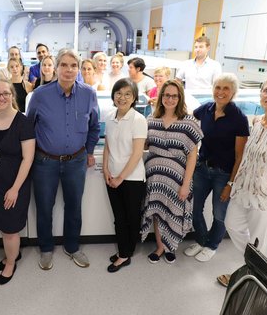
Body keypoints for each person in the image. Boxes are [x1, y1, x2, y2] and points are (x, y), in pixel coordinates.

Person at [218, 75, 267, 287]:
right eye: (266, 90)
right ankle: (257, 268)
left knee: (259, 242)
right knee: (232, 225)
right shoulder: (257, 121)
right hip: (243, 190)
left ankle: (251, 280)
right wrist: (232, 184)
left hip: (264, 199)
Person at [27, 49, 100, 270]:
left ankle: (72, 247)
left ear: (78, 69)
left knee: (74, 206)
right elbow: (29, 128)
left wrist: (88, 152)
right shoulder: (40, 95)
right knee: (44, 207)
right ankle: (46, 249)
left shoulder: (89, 94)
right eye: (64, 65)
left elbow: (94, 126)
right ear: (56, 67)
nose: (69, 70)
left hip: (76, 162)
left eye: (73, 66)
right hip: (44, 162)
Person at [184, 73, 250, 262]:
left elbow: (240, 156)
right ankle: (202, 240)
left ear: (233, 93)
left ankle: (212, 245)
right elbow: (187, 117)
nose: (220, 92)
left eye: (226, 88)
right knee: (195, 209)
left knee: (219, 214)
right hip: (202, 169)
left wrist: (230, 183)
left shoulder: (239, 119)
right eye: (217, 87)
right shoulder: (206, 108)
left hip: (224, 174)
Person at [0, 79, 35, 284]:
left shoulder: (23, 122)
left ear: (12, 95)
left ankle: (11, 263)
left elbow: (28, 159)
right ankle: (12, 254)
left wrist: (15, 189)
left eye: (6, 93)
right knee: (2, 224)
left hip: (13, 184)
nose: (1, 97)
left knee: (10, 227)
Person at [140, 80, 203, 264]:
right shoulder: (151, 120)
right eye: (166, 95)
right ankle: (160, 247)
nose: (170, 99)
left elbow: (192, 155)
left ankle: (171, 246)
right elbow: (144, 144)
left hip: (178, 179)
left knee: (173, 211)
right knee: (158, 212)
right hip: (155, 177)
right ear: (161, 97)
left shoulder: (189, 122)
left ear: (180, 98)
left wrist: (185, 184)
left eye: (174, 95)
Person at [103, 78, 147, 273]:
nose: (122, 97)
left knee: (129, 217)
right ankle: (124, 250)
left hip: (131, 179)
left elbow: (137, 154)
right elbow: (107, 146)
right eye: (119, 93)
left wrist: (120, 177)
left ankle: (125, 254)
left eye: (127, 94)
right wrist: (105, 169)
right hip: (112, 176)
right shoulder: (110, 117)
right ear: (113, 95)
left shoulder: (138, 120)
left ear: (134, 98)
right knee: (119, 217)